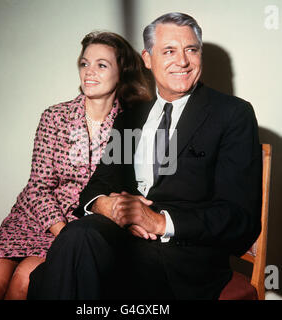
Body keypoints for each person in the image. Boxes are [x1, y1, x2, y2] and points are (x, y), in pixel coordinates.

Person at [27, 12, 262, 300]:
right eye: (169, 51)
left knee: (70, 272)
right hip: (124, 242)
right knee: (77, 237)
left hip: (183, 257)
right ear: (148, 59)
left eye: (191, 50)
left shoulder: (232, 114)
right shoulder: (131, 118)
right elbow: (96, 187)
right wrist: (110, 206)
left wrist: (158, 221)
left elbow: (239, 217)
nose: (183, 61)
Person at [0, 31, 152, 300]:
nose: (89, 72)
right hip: (34, 218)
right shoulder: (55, 117)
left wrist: (71, 234)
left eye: (101, 65)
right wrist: (58, 228)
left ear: (122, 72)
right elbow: (37, 187)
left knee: (25, 280)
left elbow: (124, 190)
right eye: (84, 63)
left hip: (81, 227)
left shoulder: (132, 125)